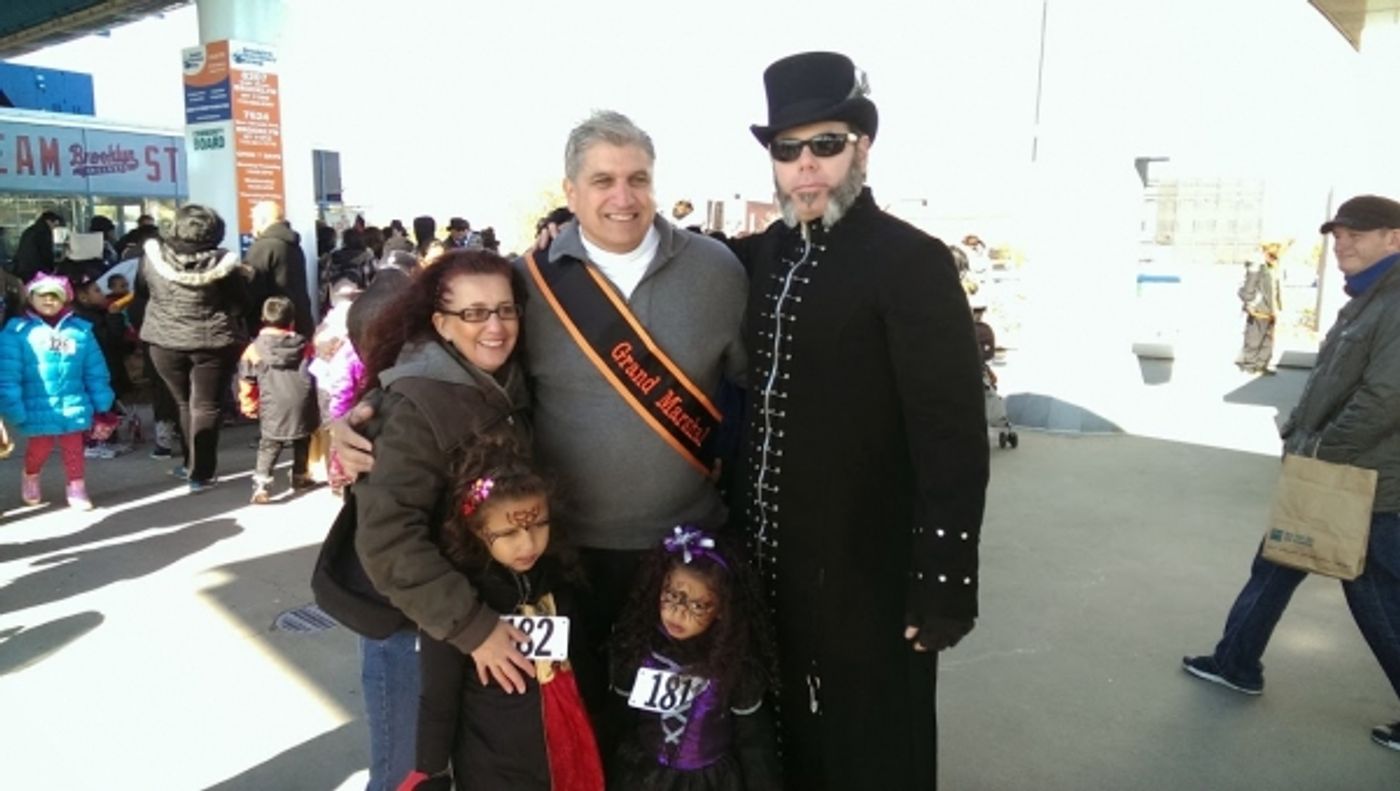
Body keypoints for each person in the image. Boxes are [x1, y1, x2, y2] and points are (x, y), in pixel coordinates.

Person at [334, 111, 749, 727]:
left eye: (638, 178)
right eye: (603, 180)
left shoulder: (718, 271)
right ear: (571, 192)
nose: (622, 196)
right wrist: (365, 408)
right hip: (560, 554)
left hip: (681, 551)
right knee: (581, 732)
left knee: (672, 744)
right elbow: (455, 352)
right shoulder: (530, 282)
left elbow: (752, 389)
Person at [726, 52, 988, 789]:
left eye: (826, 146)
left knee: (871, 744)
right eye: (788, 150)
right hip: (769, 564)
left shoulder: (911, 261)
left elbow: (953, 435)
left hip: (868, 568)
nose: (807, 167)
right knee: (781, 741)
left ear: (861, 148)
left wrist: (944, 580)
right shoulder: (760, 257)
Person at [1183, 193, 1400, 754]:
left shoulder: (1395, 301)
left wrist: (1322, 449)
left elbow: (1384, 398)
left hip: (1361, 481)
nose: (1341, 243)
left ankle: (1236, 661)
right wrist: (1299, 435)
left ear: (1393, 239)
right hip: (1331, 469)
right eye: (1337, 234)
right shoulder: (1370, 298)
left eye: (1356, 233)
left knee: (1371, 588)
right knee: (1279, 557)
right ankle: (1236, 662)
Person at [351, 249, 533, 791]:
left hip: (468, 622)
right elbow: (388, 537)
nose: (495, 326)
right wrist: (472, 628)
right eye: (474, 313)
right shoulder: (415, 402)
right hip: (412, 627)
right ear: (441, 324)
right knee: (410, 775)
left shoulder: (508, 385)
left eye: (505, 310)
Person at [396, 444, 604, 791]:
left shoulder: (559, 581)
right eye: (509, 533)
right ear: (477, 530)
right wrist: (429, 770)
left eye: (539, 524)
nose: (528, 544)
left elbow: (583, 662)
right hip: (492, 769)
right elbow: (438, 698)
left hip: (567, 757)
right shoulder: (461, 606)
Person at [606, 527, 780, 791]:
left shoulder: (733, 666)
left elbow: (754, 745)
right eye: (671, 596)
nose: (678, 613)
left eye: (697, 605)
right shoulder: (639, 650)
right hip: (643, 777)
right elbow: (618, 722)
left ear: (723, 609)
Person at [136, 204, 251, 493]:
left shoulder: (152, 258)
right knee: (206, 405)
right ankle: (201, 473)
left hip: (164, 340)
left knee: (183, 403)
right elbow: (240, 301)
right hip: (212, 340)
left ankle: (189, 465)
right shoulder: (225, 264)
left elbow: (141, 291)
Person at [0, 273, 115, 509]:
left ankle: (76, 486)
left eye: (56, 296)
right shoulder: (17, 332)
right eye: (42, 296)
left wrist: (102, 401)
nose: (49, 301)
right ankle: (31, 475)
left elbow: (95, 369)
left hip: (73, 402)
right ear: (31, 298)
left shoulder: (80, 331)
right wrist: (13, 406)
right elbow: (8, 373)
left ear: (65, 300)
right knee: (39, 449)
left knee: (74, 448)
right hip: (38, 405)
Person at [237, 295, 319, 504]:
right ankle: (300, 475)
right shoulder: (305, 345)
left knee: (270, 445)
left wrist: (249, 404)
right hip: (303, 403)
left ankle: (262, 486)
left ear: (263, 319)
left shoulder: (254, 349)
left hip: (272, 404)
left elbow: (247, 380)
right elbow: (315, 371)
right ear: (292, 320)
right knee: (303, 438)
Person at [244, 201, 314, 338]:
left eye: (253, 220)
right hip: (299, 321)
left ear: (263, 220)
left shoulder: (263, 247)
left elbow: (251, 290)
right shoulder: (293, 245)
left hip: (272, 328)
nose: (252, 225)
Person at [1236, 241, 1286, 374]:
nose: (1274, 258)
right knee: (1254, 337)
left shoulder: (1273, 268)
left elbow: (1276, 290)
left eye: (1276, 256)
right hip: (1258, 309)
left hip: (1270, 310)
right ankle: (1249, 365)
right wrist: (1249, 303)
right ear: (1265, 253)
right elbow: (1249, 288)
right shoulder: (1257, 267)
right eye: (1271, 254)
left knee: (1267, 338)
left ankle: (1261, 365)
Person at [14, 210, 64, 282]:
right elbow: (46, 254)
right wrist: (53, 267)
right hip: (36, 272)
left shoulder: (29, 230)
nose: (54, 229)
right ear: (49, 222)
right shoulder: (44, 233)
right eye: (55, 225)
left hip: (22, 270)